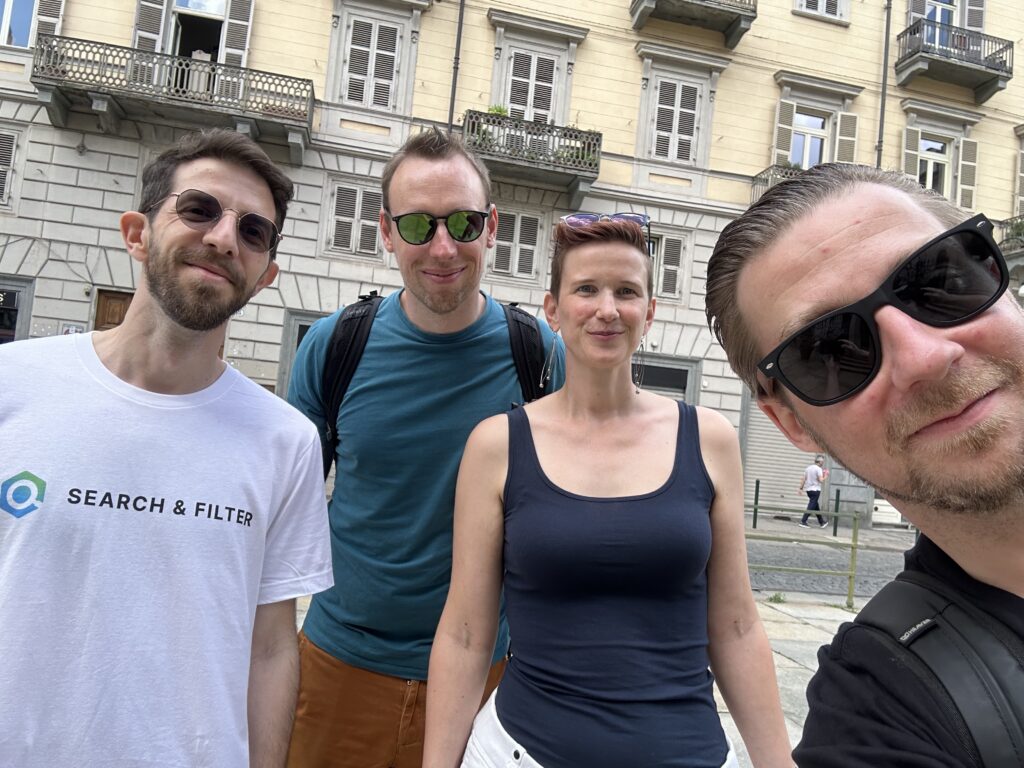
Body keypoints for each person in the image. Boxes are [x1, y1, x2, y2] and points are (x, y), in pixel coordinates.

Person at [0, 129, 333, 767]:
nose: (223, 237)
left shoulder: (287, 442)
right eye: (199, 209)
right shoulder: (13, 386)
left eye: (253, 231)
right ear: (137, 233)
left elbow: (271, 647)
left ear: (266, 276)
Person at [424, 215, 793, 768]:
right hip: (519, 754)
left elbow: (736, 626)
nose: (606, 309)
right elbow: (467, 632)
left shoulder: (710, 439)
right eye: (586, 289)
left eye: (626, 292)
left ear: (649, 312)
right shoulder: (497, 446)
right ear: (552, 309)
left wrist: (779, 762)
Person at [705, 162, 1024, 766]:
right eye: (831, 350)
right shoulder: (879, 707)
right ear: (792, 423)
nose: (925, 357)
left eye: (940, 281)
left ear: (1003, 283)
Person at [285, 127, 564, 768]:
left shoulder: (540, 359)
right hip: (339, 667)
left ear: (492, 227)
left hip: (491, 680)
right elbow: (281, 512)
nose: (443, 246)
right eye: (418, 226)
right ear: (386, 232)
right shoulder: (334, 347)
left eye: (464, 223)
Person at [799, 456, 828, 527]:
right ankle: (803, 521)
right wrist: (826, 476)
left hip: (808, 490)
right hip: (816, 490)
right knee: (811, 505)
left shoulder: (808, 468)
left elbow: (803, 479)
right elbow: (821, 480)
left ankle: (822, 522)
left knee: (815, 506)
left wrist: (800, 488)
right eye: (822, 462)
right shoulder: (819, 469)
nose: (823, 463)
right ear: (820, 462)